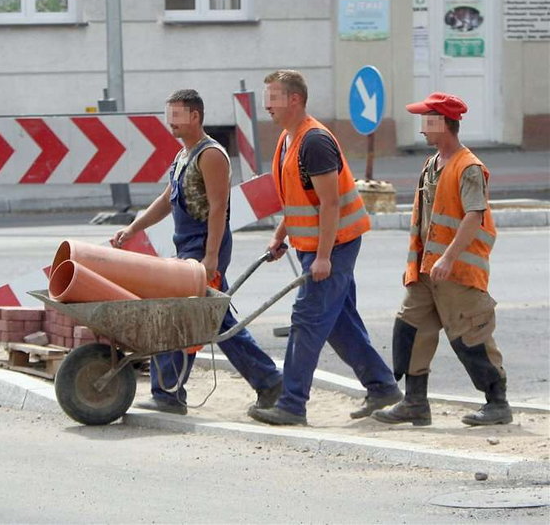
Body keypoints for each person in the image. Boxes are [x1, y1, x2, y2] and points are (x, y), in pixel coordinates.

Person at [111, 89, 284, 416]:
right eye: (169, 116)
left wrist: (211, 257)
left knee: (186, 314)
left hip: (205, 245)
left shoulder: (211, 155)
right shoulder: (183, 156)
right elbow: (166, 200)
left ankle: (171, 393)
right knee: (206, 318)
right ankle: (266, 381)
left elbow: (219, 208)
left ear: (195, 116)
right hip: (188, 245)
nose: (171, 123)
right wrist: (134, 227)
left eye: (177, 116)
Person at [249, 70, 402, 426]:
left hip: (335, 245)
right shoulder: (289, 139)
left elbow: (331, 204)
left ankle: (291, 404)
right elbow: (298, 197)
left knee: (307, 319)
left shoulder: (314, 141)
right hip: (314, 245)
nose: (266, 105)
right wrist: (280, 235)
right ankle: (382, 387)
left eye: (273, 97)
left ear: (295, 100)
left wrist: (322, 257)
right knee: (337, 323)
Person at [372, 92, 512, 427]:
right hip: (425, 271)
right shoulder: (431, 164)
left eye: (428, 121)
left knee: (470, 337)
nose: (422, 128)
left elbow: (474, 216)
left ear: (445, 124)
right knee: (410, 328)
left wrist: (449, 258)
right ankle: (415, 403)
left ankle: (498, 403)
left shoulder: (469, 167)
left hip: (458, 271)